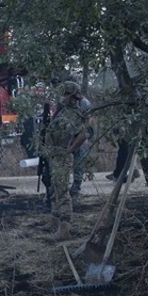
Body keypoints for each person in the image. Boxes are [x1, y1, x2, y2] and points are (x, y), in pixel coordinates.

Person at [42, 88, 90, 238]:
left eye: (64, 94)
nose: (62, 97)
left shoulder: (75, 114)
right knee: (54, 188)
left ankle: (64, 227)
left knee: (62, 191)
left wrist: (69, 150)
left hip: (62, 156)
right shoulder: (63, 111)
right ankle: (55, 220)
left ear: (70, 96)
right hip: (54, 154)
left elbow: (83, 135)